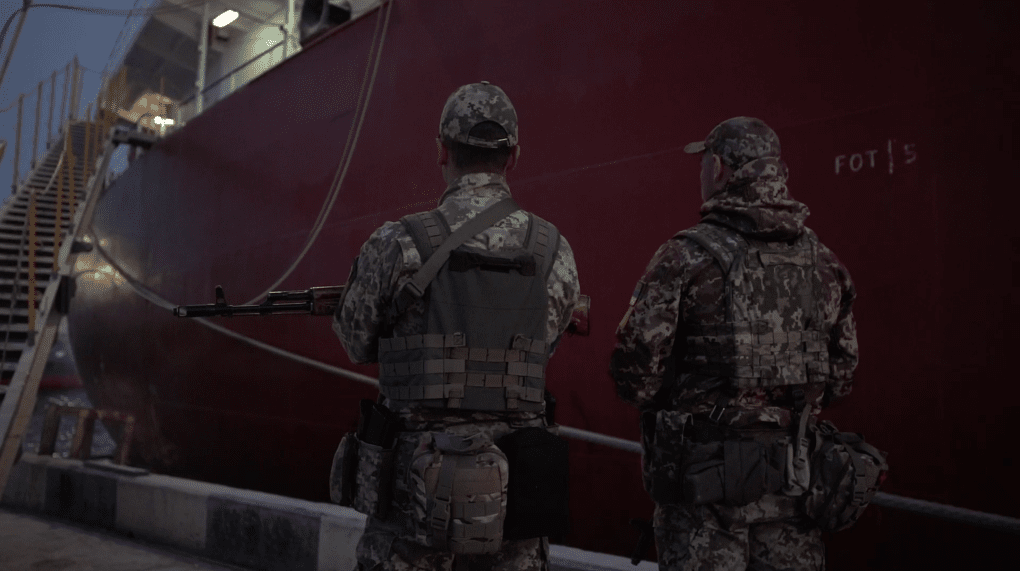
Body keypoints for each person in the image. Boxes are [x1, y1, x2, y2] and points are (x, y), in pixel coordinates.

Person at [334, 81, 579, 571]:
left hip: (414, 511)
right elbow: (543, 347)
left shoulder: (396, 243)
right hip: (516, 505)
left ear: (442, 150)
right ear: (513, 157)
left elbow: (356, 343)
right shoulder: (554, 250)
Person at [610, 117, 858, 570]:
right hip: (794, 485)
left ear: (719, 168)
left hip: (705, 497)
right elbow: (841, 378)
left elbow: (636, 378)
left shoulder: (685, 256)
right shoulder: (824, 262)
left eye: (704, 162)